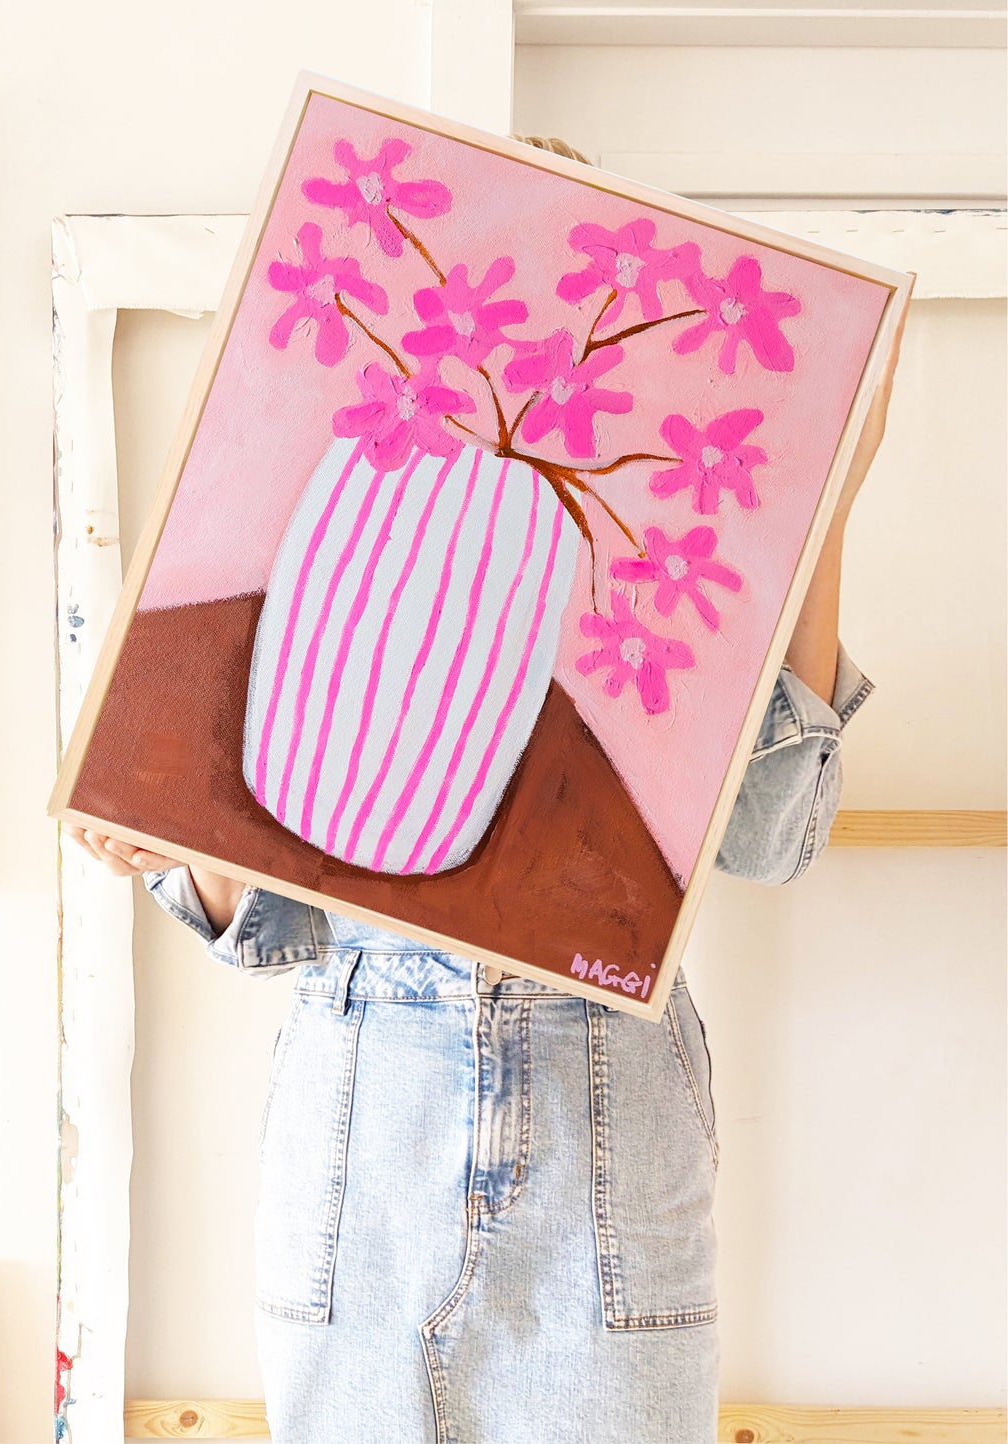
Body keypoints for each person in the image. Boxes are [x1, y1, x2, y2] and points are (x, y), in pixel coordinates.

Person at [66, 138, 910, 1444]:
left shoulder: (649, 578)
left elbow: (770, 839)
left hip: (607, 1126)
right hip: (364, 1134)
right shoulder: (338, 525)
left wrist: (824, 503)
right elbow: (272, 931)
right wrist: (183, 835)